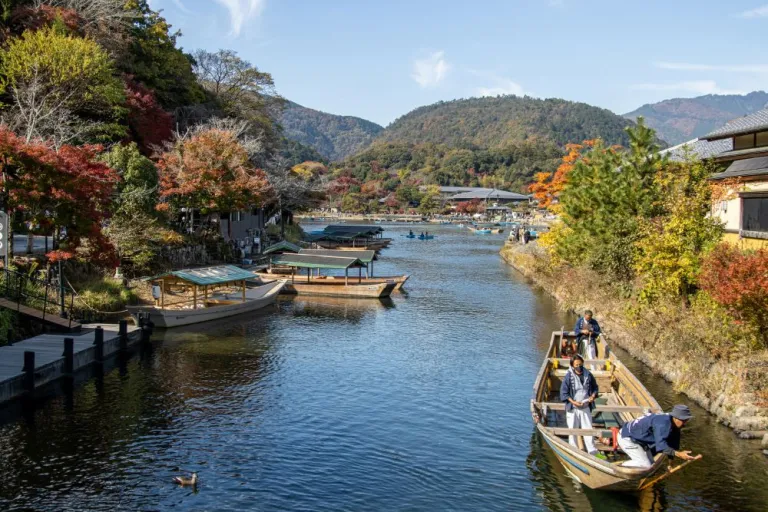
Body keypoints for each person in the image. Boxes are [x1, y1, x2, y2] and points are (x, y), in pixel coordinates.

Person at [617, 405, 701, 468]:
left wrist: (670, 465)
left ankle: (636, 465)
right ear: (676, 418)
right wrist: (679, 454)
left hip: (639, 440)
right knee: (645, 465)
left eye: (686, 420)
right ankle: (619, 467)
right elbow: (661, 446)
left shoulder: (676, 425)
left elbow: (672, 446)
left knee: (651, 464)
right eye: (684, 420)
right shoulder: (662, 424)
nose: (685, 423)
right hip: (627, 438)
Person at [559, 355, 601, 457]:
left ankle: (592, 451)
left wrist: (593, 396)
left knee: (588, 429)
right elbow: (564, 393)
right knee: (573, 430)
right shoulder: (568, 377)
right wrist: (573, 402)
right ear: (572, 366)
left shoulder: (588, 375)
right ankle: (573, 450)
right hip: (573, 408)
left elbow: (595, 388)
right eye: (576, 365)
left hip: (585, 406)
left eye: (580, 365)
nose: (579, 367)